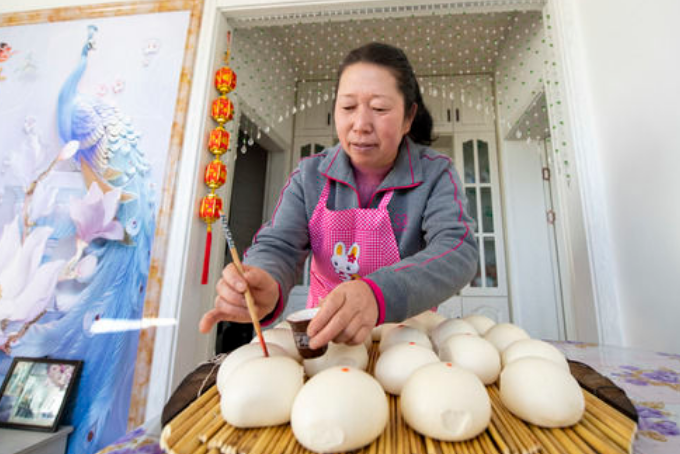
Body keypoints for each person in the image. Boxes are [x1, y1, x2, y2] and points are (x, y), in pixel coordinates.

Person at [199, 42, 478, 350]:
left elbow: (457, 249)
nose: (361, 125)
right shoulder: (309, 175)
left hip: (405, 340)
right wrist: (264, 278)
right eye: (348, 107)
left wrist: (378, 294)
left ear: (408, 117)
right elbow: (279, 245)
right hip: (327, 336)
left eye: (380, 109)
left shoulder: (435, 173)